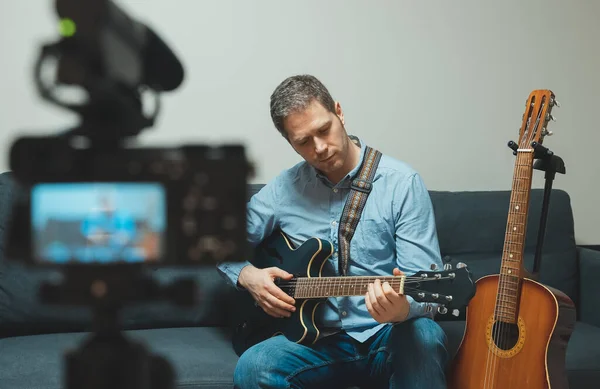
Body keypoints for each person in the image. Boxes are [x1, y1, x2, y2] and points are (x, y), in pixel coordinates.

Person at [217, 74, 448, 389]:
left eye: (323, 130)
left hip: (385, 335)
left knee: (424, 334)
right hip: (316, 342)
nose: (320, 148)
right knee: (254, 367)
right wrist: (247, 276)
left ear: (339, 112)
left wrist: (402, 308)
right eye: (303, 142)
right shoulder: (284, 189)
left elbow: (428, 290)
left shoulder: (401, 184)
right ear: (290, 143)